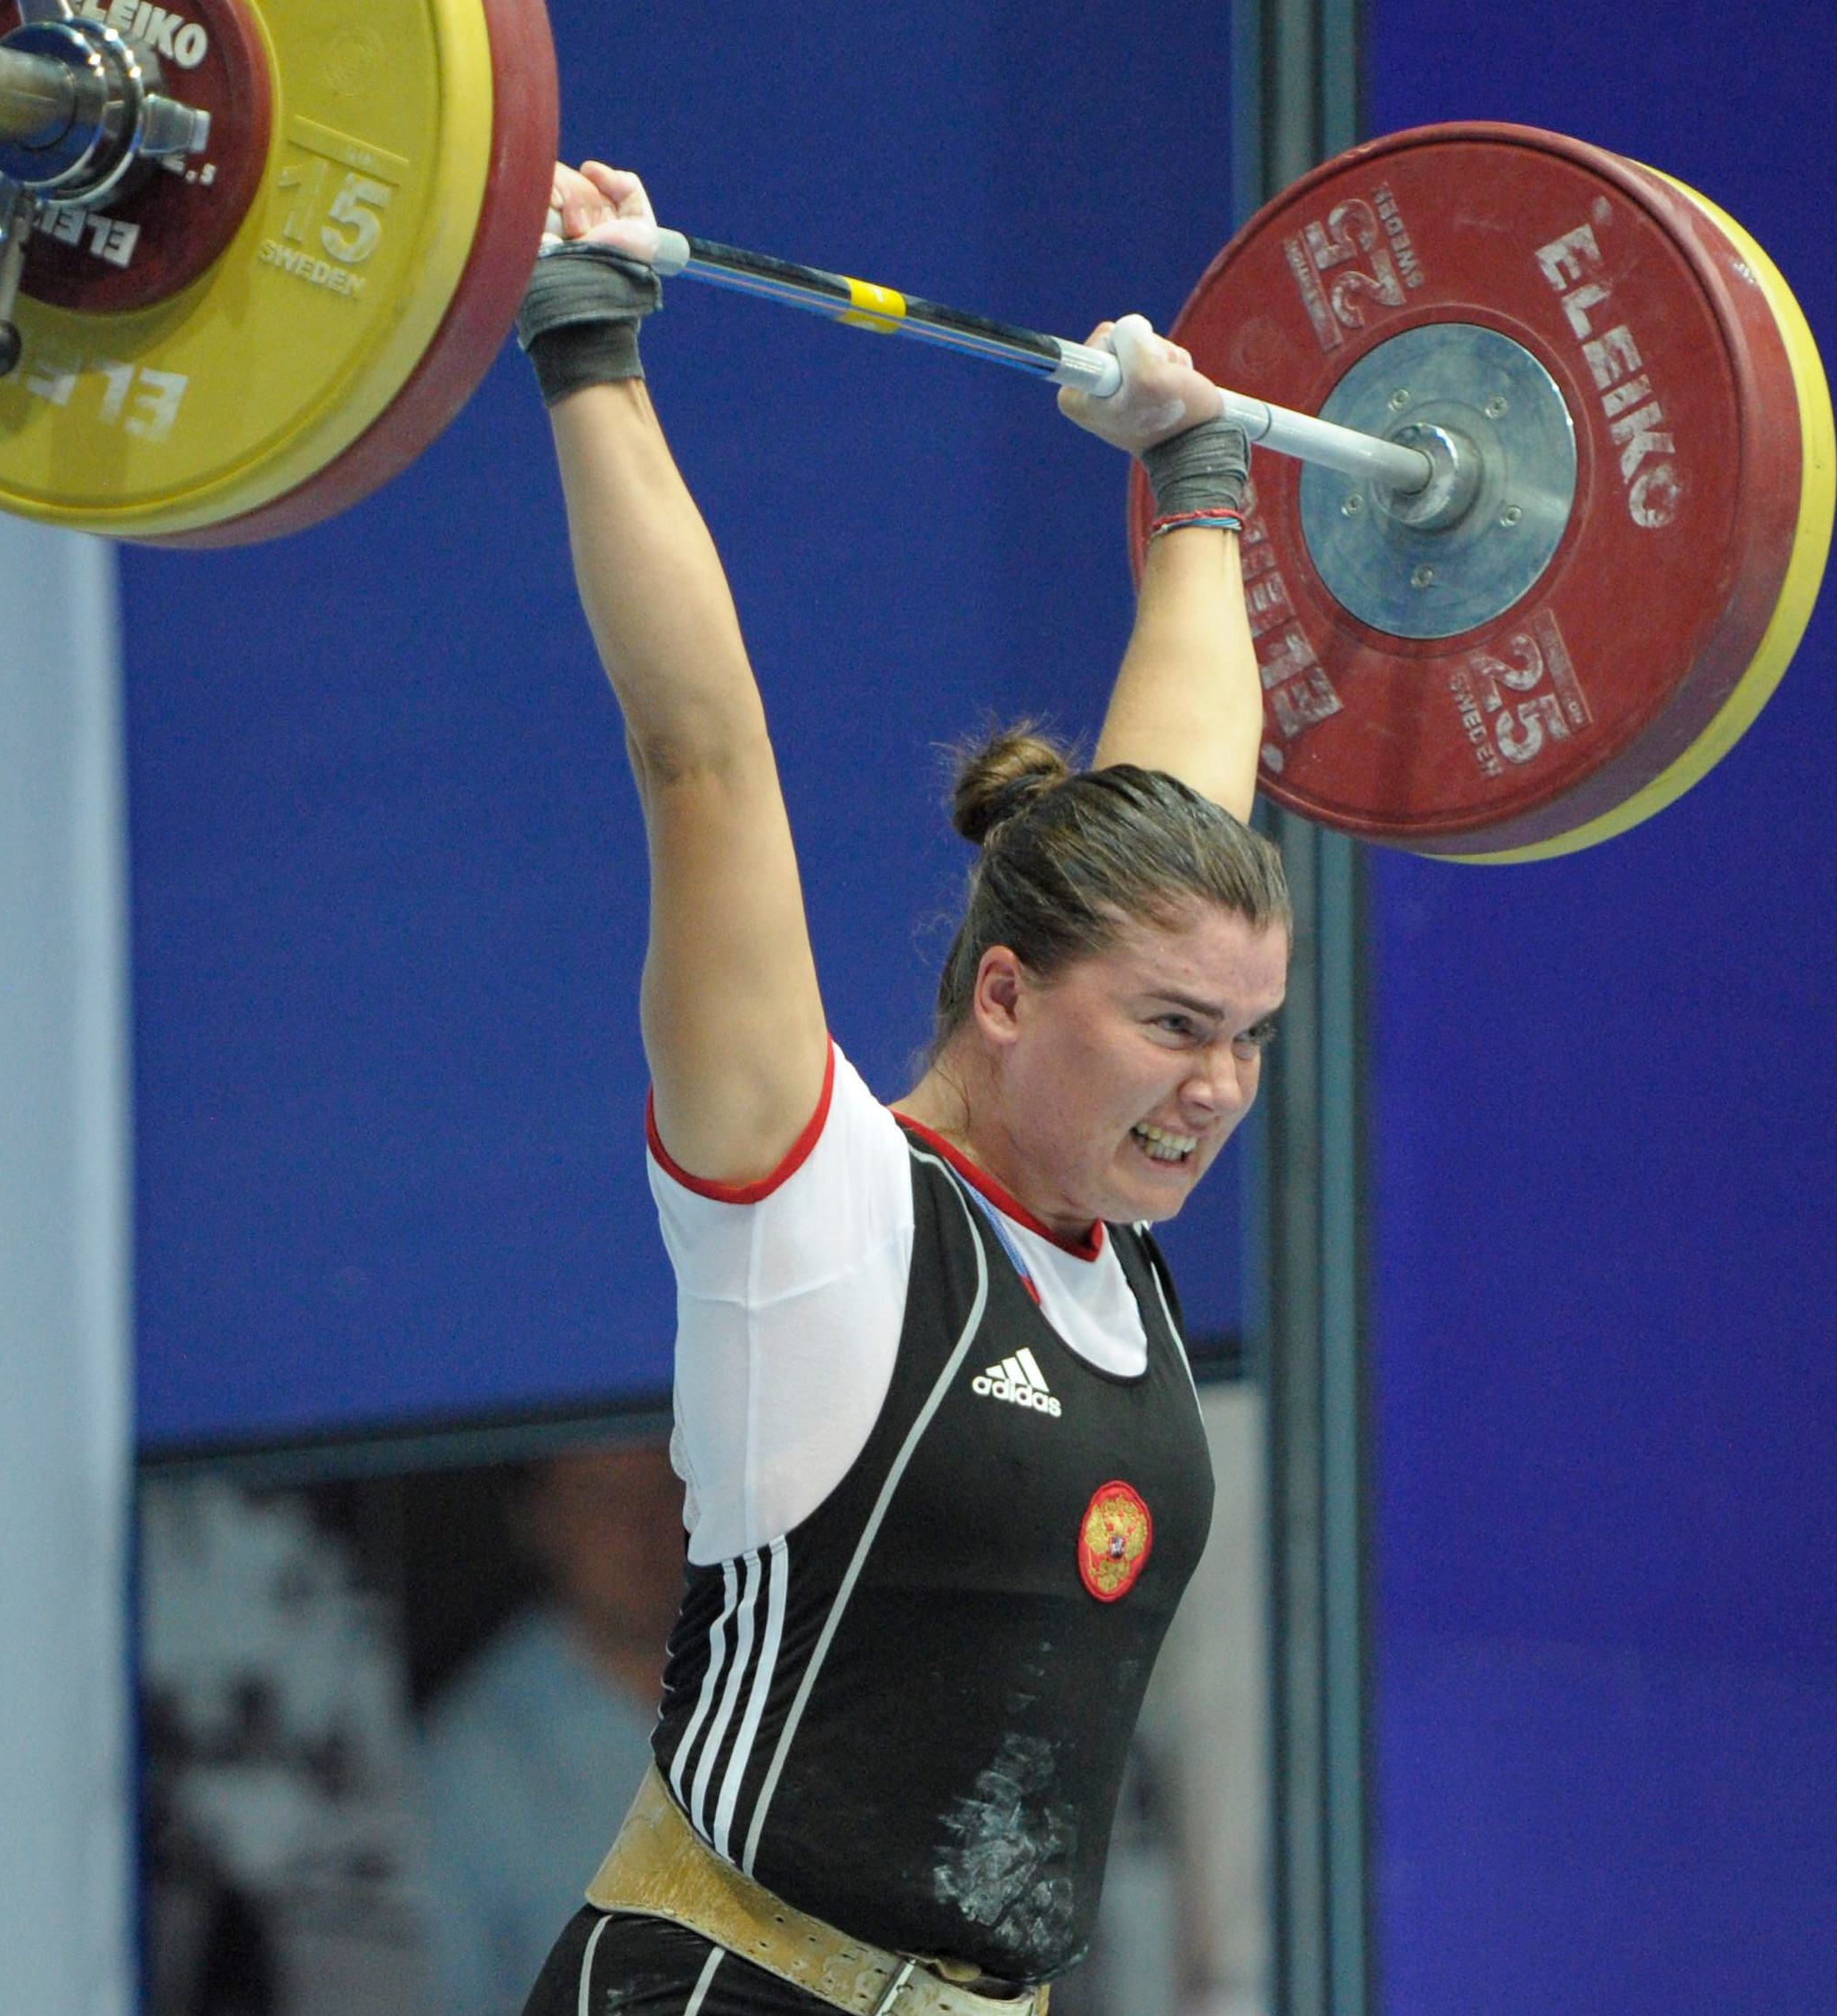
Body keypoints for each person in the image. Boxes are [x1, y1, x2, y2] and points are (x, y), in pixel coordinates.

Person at [519, 158, 1288, 2016]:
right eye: (1174, 1029)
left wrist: (1196, 480)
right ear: (1006, 993)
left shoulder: (1102, 1246)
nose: (1217, 1086)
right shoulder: (818, 1211)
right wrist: (588, 342)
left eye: (1249, 1036)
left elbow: (1180, 809)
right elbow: (701, 757)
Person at [419, 1441, 689, 2016]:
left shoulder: (791, 1687)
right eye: (603, 1499)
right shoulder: (470, 1756)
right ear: (538, 1522)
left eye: (666, 1489)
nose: (642, 1526)